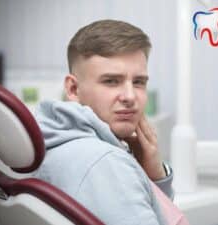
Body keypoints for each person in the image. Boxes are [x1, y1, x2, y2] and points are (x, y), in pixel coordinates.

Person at [35, 19, 174, 225]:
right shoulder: (105, 162)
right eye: (111, 81)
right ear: (73, 89)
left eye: (138, 82)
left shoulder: (53, 139)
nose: (130, 96)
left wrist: (155, 178)